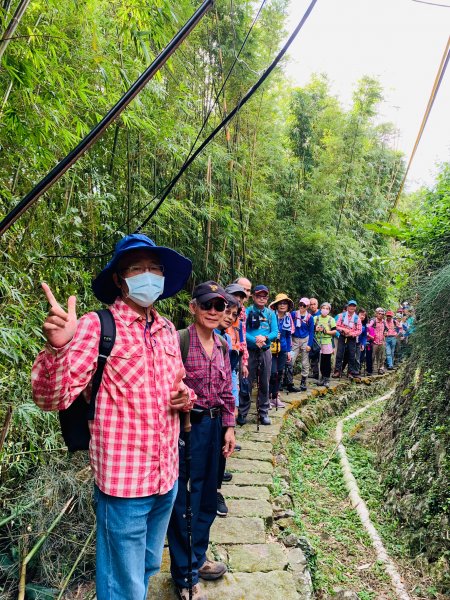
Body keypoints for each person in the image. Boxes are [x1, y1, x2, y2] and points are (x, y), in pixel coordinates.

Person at [31, 233, 195, 600]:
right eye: (137, 268)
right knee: (121, 586)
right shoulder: (97, 325)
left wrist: (185, 397)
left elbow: (179, 387)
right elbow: (52, 396)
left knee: (148, 567)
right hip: (124, 484)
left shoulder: (168, 329)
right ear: (121, 279)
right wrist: (57, 349)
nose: (148, 274)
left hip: (165, 476)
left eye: (155, 267)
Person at [167, 282, 236, 600]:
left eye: (219, 306)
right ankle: (184, 575)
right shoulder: (177, 341)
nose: (213, 311)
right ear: (193, 307)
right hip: (185, 430)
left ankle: (198, 558)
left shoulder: (223, 345)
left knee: (208, 496)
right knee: (184, 503)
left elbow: (225, 392)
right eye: (207, 304)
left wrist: (229, 427)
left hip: (214, 428)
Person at [238, 285, 278, 426]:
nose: (262, 299)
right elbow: (241, 331)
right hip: (249, 351)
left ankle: (263, 412)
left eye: (265, 296)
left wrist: (265, 338)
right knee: (246, 382)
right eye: (259, 296)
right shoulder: (247, 311)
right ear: (253, 297)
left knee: (264, 383)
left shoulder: (270, 314)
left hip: (265, 351)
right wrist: (255, 340)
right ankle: (242, 412)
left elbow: (275, 332)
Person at [215, 294, 241, 517]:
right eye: (227, 311)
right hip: (201, 409)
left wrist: (232, 405)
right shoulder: (188, 337)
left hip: (224, 402)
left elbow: (228, 374)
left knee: (220, 453)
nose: (228, 317)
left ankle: (215, 491)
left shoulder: (227, 340)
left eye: (233, 314)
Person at [268, 293, 294, 408]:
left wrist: (289, 350)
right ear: (276, 305)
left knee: (279, 373)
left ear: (288, 306)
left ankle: (275, 397)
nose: (282, 305)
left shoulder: (288, 318)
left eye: (285, 303)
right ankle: (267, 396)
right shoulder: (270, 316)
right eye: (280, 303)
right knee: (272, 373)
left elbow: (288, 336)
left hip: (282, 348)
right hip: (270, 348)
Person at [289, 297, 315, 391]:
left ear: (307, 306)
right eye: (300, 304)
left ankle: (303, 380)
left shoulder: (310, 317)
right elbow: (289, 325)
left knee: (305, 362)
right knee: (290, 359)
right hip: (294, 339)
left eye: (304, 305)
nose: (301, 307)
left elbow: (312, 331)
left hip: (305, 339)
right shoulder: (294, 314)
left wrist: (309, 344)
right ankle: (288, 380)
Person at [333, 299, 362, 379]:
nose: (352, 307)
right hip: (342, 336)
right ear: (348, 306)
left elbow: (359, 330)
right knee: (339, 354)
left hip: (352, 338)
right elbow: (336, 325)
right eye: (350, 305)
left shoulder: (357, 318)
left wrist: (351, 334)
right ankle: (337, 371)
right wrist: (344, 330)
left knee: (351, 355)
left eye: (353, 306)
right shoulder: (342, 316)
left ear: (355, 308)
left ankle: (350, 372)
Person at [314, 302, 336, 387]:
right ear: (320, 309)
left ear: (329, 310)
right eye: (323, 308)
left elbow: (334, 331)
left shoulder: (331, 319)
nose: (325, 310)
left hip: (327, 342)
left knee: (326, 361)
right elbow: (311, 328)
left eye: (327, 309)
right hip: (317, 342)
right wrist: (316, 329)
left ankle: (326, 379)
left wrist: (326, 331)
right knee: (319, 361)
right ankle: (321, 378)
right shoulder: (316, 318)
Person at [371, 307, 387, 374]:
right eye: (379, 314)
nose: (380, 315)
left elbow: (386, 330)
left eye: (382, 314)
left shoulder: (384, 322)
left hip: (382, 341)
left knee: (382, 356)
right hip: (374, 342)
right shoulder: (373, 321)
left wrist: (385, 333)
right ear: (376, 314)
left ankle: (380, 368)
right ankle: (370, 368)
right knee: (372, 356)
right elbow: (369, 328)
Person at [308, 298, 321, 379]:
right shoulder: (309, 314)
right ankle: (315, 373)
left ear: (317, 305)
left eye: (314, 304)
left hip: (321, 339)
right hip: (311, 338)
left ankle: (322, 374)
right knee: (312, 356)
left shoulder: (321, 313)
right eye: (311, 304)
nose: (312, 306)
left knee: (320, 357)